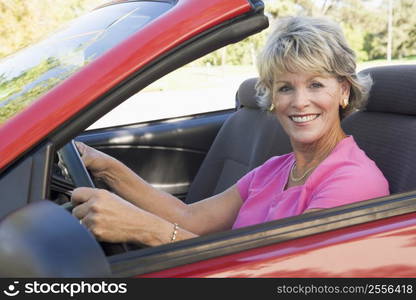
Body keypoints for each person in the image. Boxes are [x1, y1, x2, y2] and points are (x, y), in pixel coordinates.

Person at [71, 16, 389, 246]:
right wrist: (105, 166)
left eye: (316, 84)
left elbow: (275, 276)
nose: (299, 102)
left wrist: (147, 230)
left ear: (344, 91)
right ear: (272, 97)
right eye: (285, 88)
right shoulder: (275, 170)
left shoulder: (353, 181)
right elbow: (187, 217)